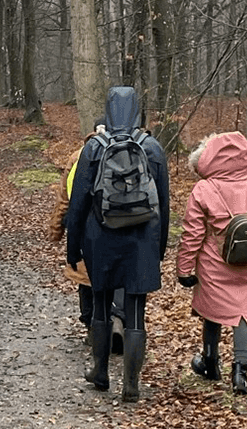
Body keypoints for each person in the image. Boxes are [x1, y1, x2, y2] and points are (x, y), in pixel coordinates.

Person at [66, 86, 170, 402]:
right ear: (137, 110)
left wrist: (73, 248)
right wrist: (160, 248)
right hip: (141, 240)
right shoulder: (152, 148)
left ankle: (100, 372)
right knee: (136, 310)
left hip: (101, 238)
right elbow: (163, 203)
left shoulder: (93, 148)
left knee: (100, 304)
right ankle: (131, 384)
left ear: (108, 111)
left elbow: (78, 203)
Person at [177, 131, 247, 394]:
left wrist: (184, 268)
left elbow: (193, 234)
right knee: (244, 315)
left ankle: (210, 362)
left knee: (212, 310)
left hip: (214, 262)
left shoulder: (204, 189)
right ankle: (241, 373)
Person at [50, 118, 125, 351]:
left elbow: (65, 199)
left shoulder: (78, 156)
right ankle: (119, 321)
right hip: (121, 225)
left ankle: (93, 327)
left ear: (93, 131)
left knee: (86, 279)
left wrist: (56, 230)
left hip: (86, 228)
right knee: (117, 275)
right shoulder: (126, 152)